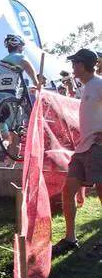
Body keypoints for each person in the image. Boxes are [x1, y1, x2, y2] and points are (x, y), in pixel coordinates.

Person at [53, 48, 102, 255]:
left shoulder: (99, 84)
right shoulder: (87, 87)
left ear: (83, 64)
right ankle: (70, 238)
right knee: (68, 190)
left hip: (97, 147)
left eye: (75, 63)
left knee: (101, 191)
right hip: (83, 148)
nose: (72, 67)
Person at [0, 35, 39, 146]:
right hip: (8, 98)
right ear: (19, 46)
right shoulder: (19, 57)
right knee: (16, 134)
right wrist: (38, 84)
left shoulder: (2, 61)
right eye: (22, 46)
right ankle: (11, 160)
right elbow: (31, 72)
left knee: (5, 136)